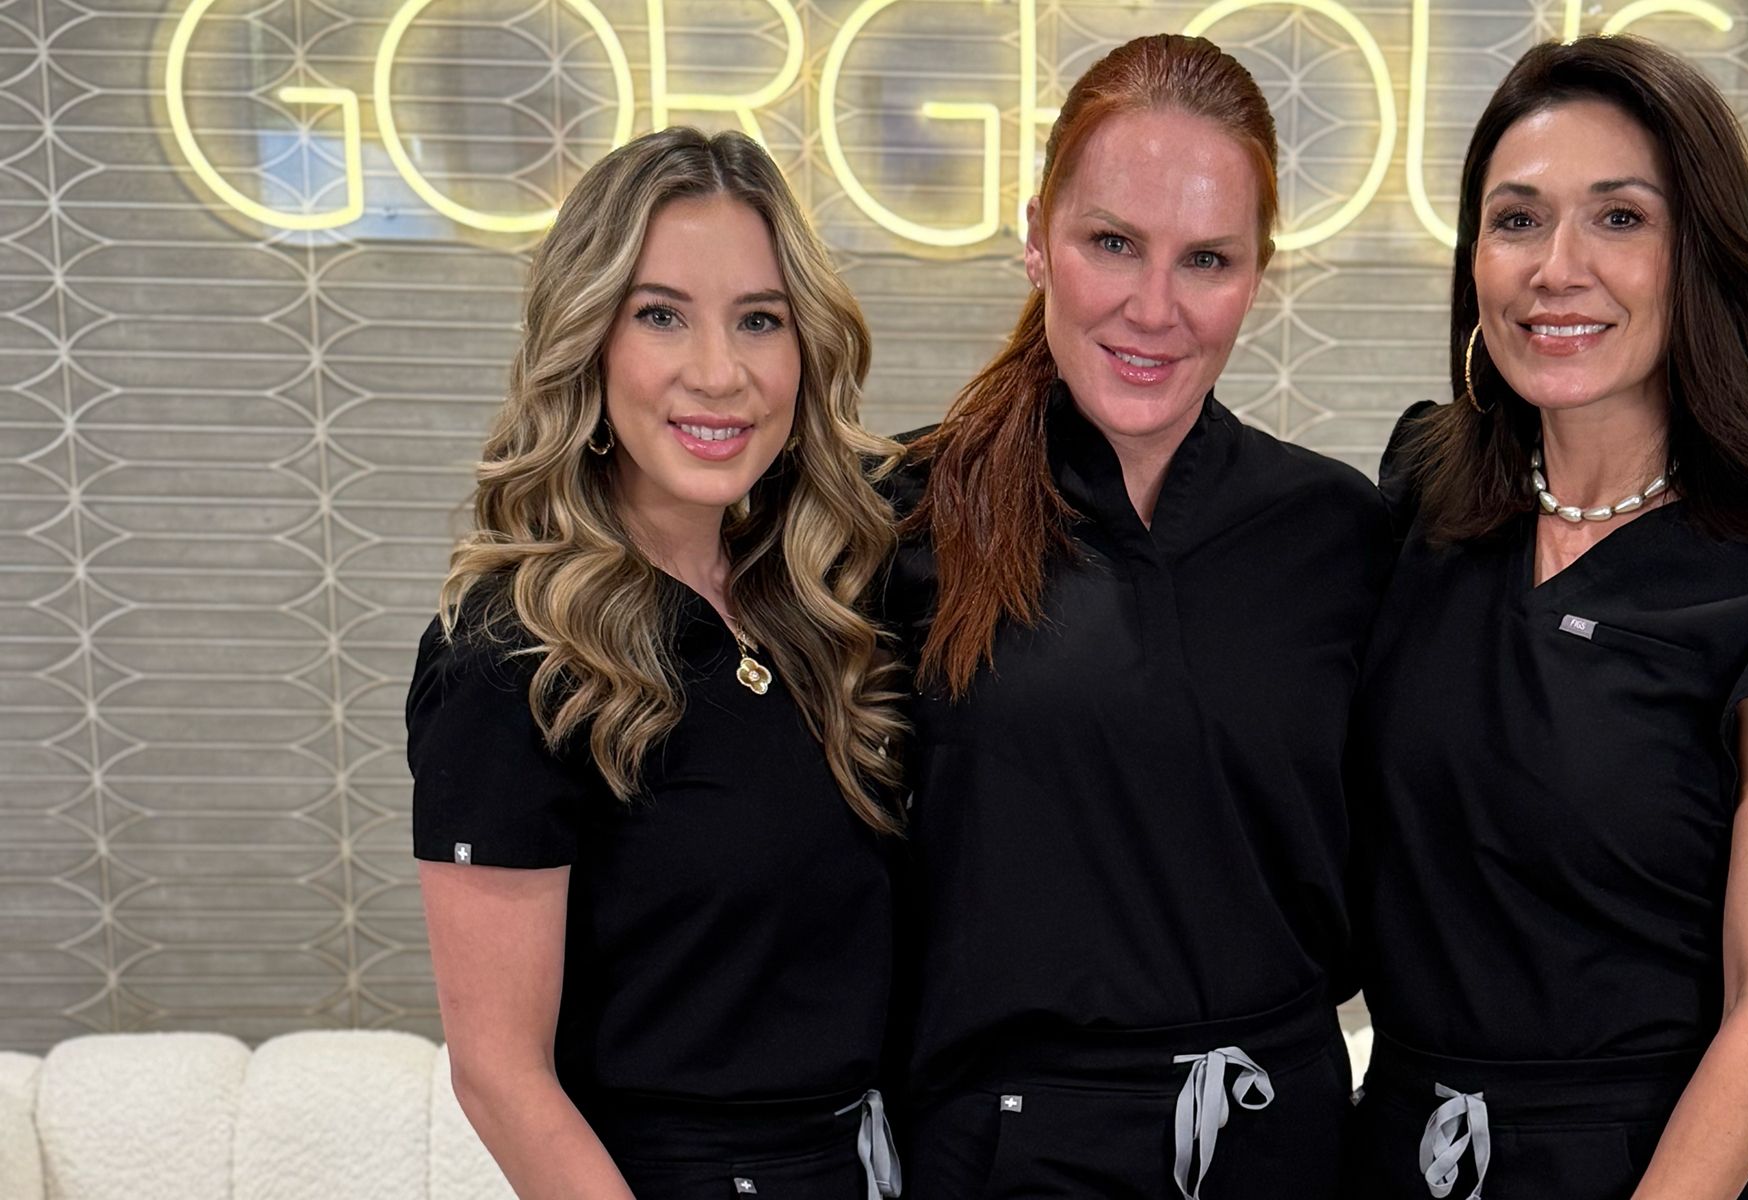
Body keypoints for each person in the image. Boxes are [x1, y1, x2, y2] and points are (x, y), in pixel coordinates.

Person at [1348, 36, 1748, 1200]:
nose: (1557, 268)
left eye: (1619, 218)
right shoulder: (1422, 498)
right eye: (1517, 219)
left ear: (1701, 258)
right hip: (1394, 1143)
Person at [881, 33, 1389, 1200]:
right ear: (1036, 237)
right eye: (1111, 243)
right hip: (999, 1155)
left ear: (1257, 274)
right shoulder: (901, 518)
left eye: (1206, 259)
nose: (1153, 308)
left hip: (1282, 1142)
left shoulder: (1340, 533)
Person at [407, 128, 906, 1200]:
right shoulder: (511, 653)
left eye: (760, 319)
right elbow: (498, 1076)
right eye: (661, 315)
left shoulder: (815, 604)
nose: (719, 373)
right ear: (588, 339)